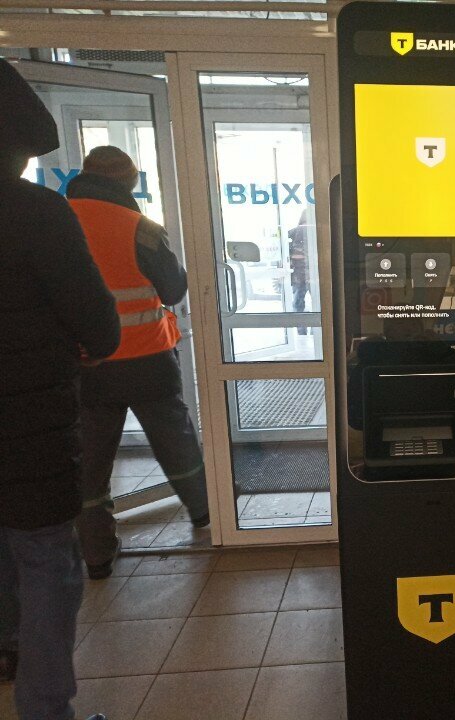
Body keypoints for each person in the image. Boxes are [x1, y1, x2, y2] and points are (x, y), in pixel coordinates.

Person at [0, 57, 118, 720]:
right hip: (27, 433)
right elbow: (98, 326)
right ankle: (45, 711)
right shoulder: (35, 212)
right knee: (46, 563)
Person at [65, 146, 209, 580]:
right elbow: (173, 290)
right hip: (148, 359)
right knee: (175, 441)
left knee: (91, 462)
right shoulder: (140, 227)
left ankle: (96, 554)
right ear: (128, 181)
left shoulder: (57, 221)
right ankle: (206, 514)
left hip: (87, 365)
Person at [287, 209, 315, 334]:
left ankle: (301, 330)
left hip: (298, 275)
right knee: (319, 303)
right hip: (315, 274)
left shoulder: (292, 233)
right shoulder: (319, 232)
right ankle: (317, 330)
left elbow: (287, 255)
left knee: (298, 303)